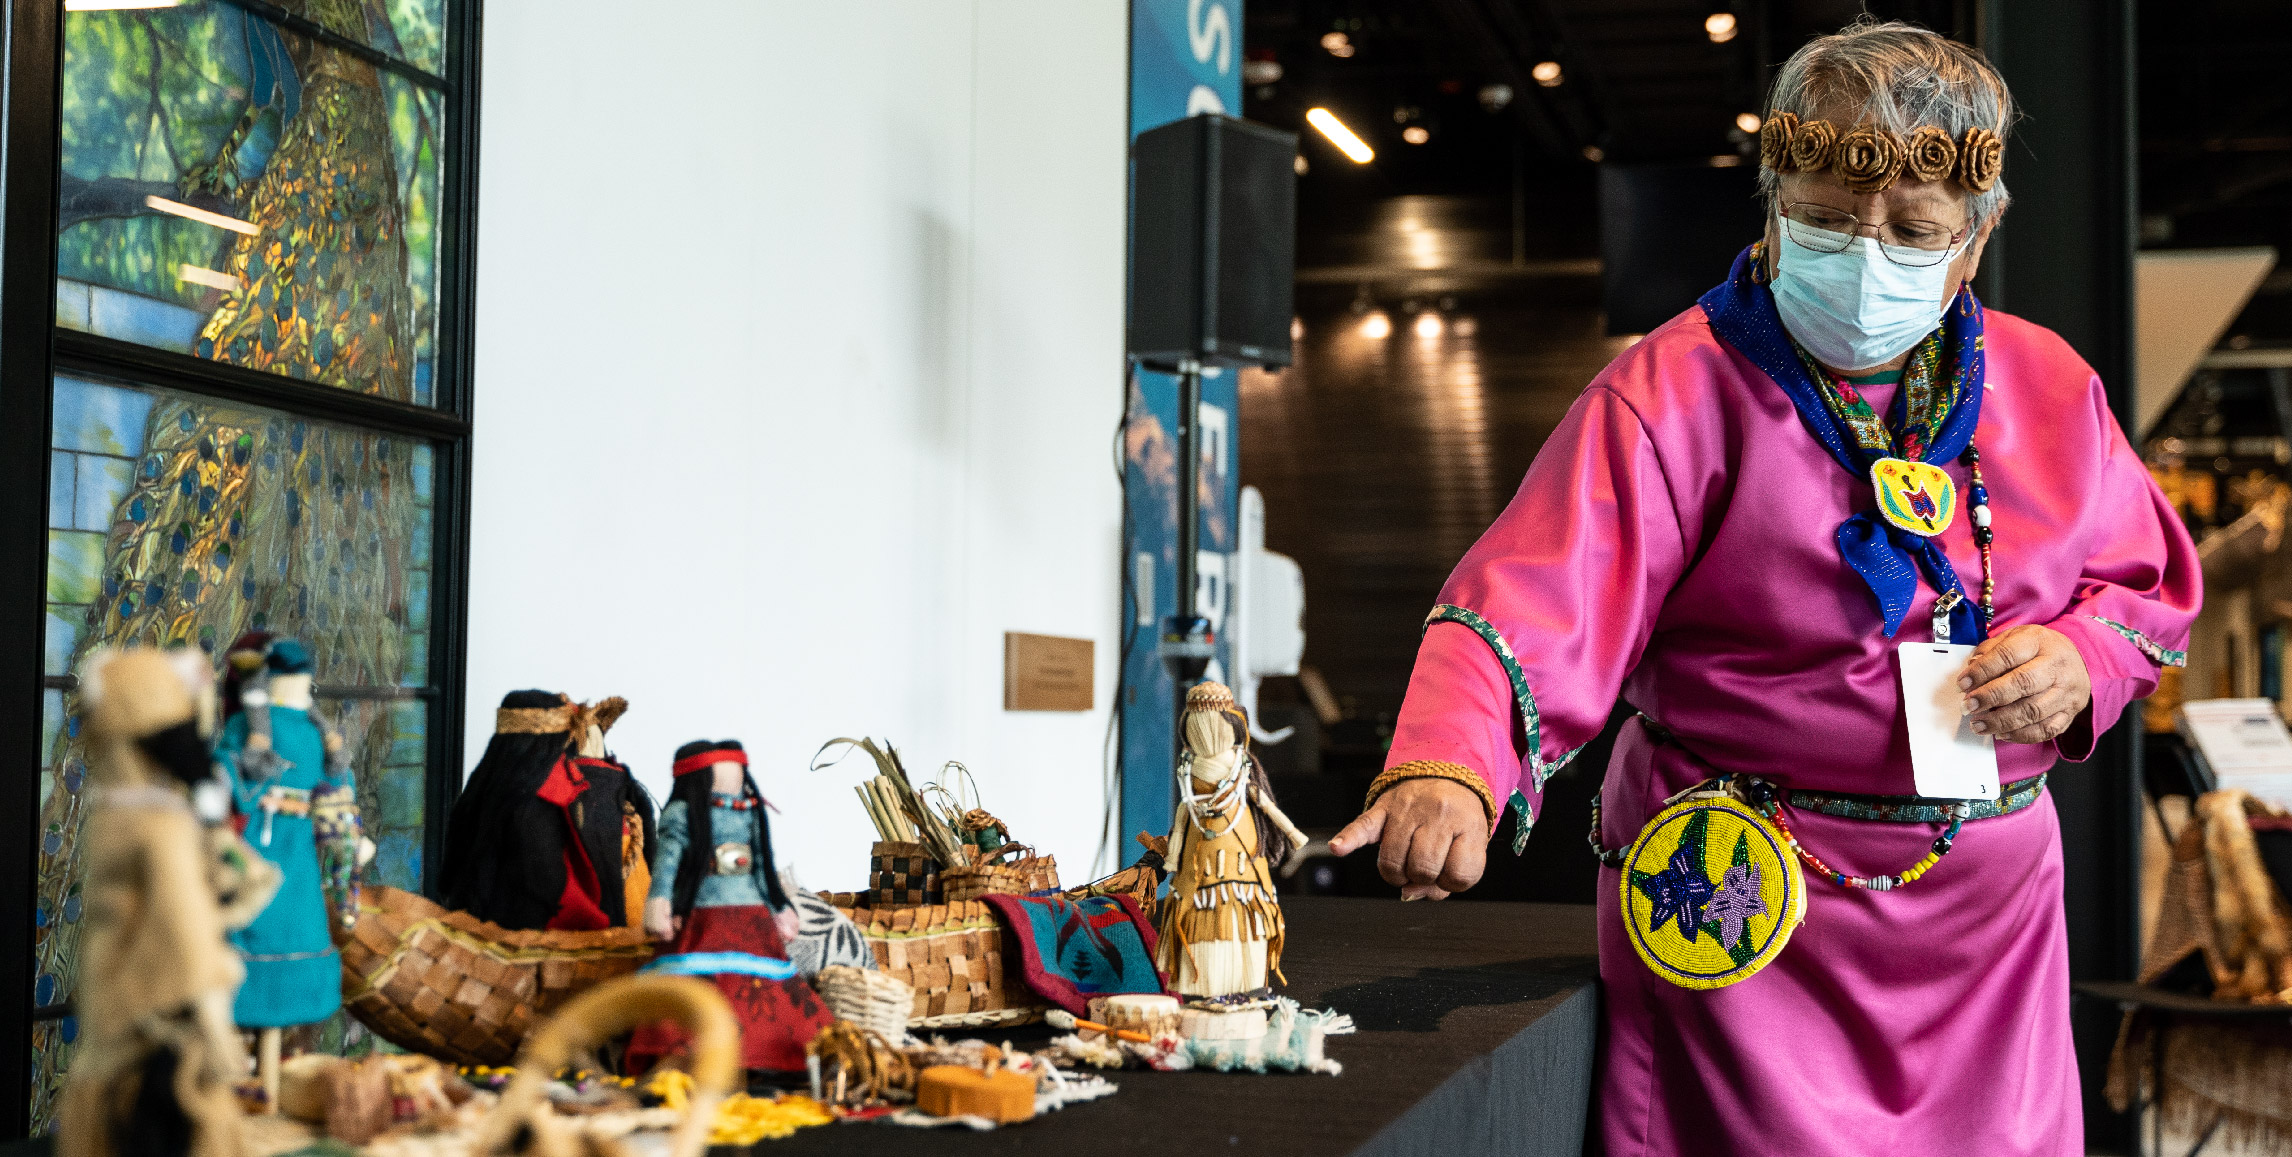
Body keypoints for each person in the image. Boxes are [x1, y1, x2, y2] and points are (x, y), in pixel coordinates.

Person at [1328, 21, 2200, 1157]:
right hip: (1738, 902)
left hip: (1988, 925)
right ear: (1775, 208)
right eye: (1830, 222)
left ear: (1975, 243)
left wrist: (2083, 658)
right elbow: (1539, 591)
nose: (1868, 255)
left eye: (1913, 232)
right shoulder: (1673, 386)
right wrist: (1450, 762)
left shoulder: (2047, 381)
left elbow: (2142, 582)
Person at [633, 739, 831, 1074]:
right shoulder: (682, 814)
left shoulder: (749, 811)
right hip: (702, 916)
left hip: (752, 913)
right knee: (702, 983)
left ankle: (770, 1052)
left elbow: (762, 868)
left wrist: (779, 908)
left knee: (763, 984)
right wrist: (660, 902)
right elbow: (666, 865)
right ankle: (697, 1054)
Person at [437, 690, 654, 931]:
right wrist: (597, 923)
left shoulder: (482, 786)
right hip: (534, 933)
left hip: (481, 922)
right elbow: (548, 882)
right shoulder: (539, 799)